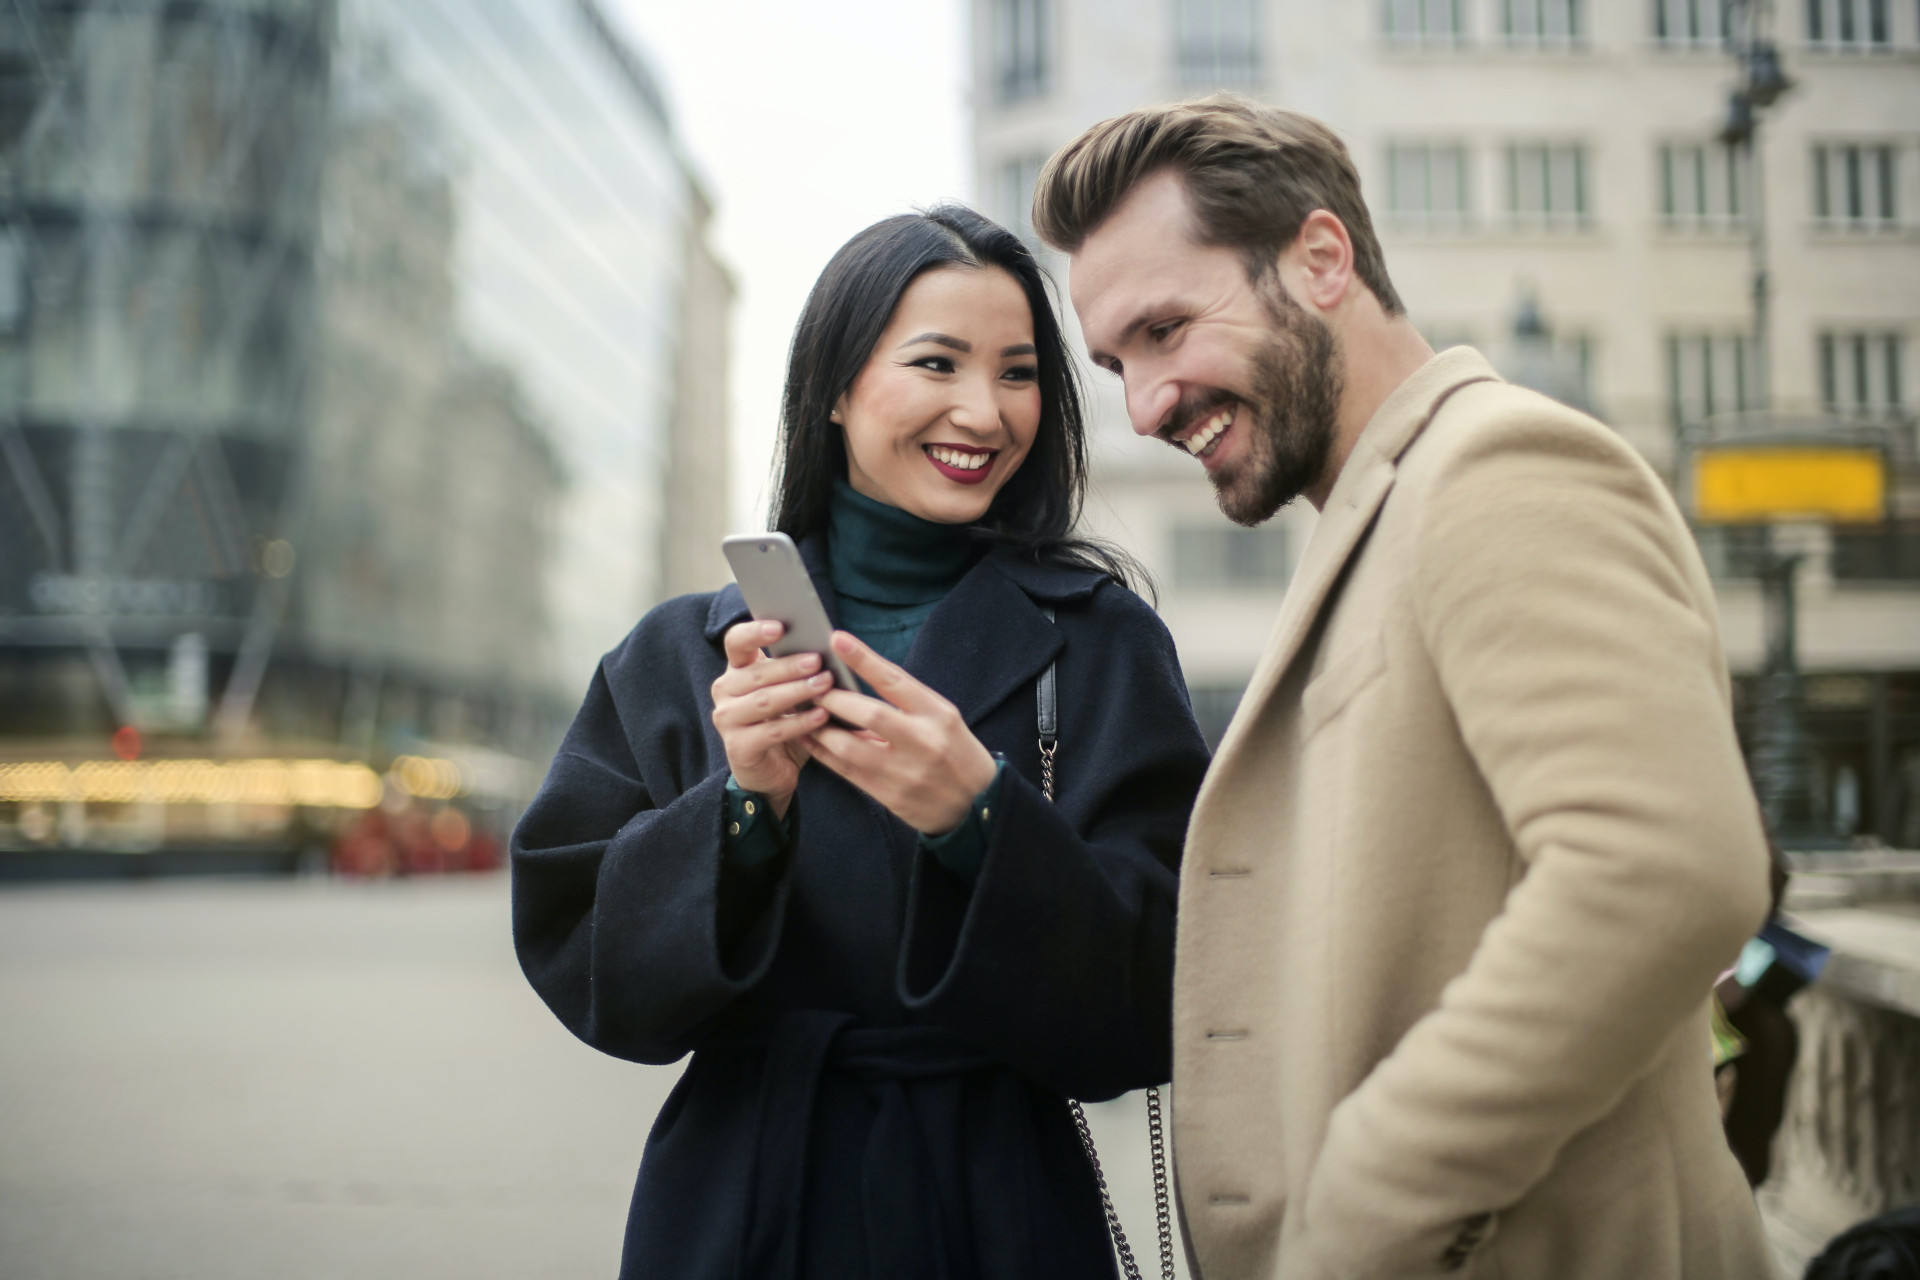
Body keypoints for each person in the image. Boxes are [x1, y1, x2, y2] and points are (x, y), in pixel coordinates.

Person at [1032, 95, 1776, 1279]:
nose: (1147, 402)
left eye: (1167, 329)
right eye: (1119, 362)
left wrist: (1369, 1207)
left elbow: (1665, 868)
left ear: (1322, 259)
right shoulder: (1380, 516)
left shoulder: (1494, 466)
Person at [511, 204, 1209, 1280]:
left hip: (1001, 1207)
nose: (983, 410)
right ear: (835, 387)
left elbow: (1167, 984)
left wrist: (979, 817)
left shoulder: (1102, 641)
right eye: (938, 362)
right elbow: (585, 960)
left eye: (1019, 373)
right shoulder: (680, 656)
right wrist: (743, 806)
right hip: (744, 1199)